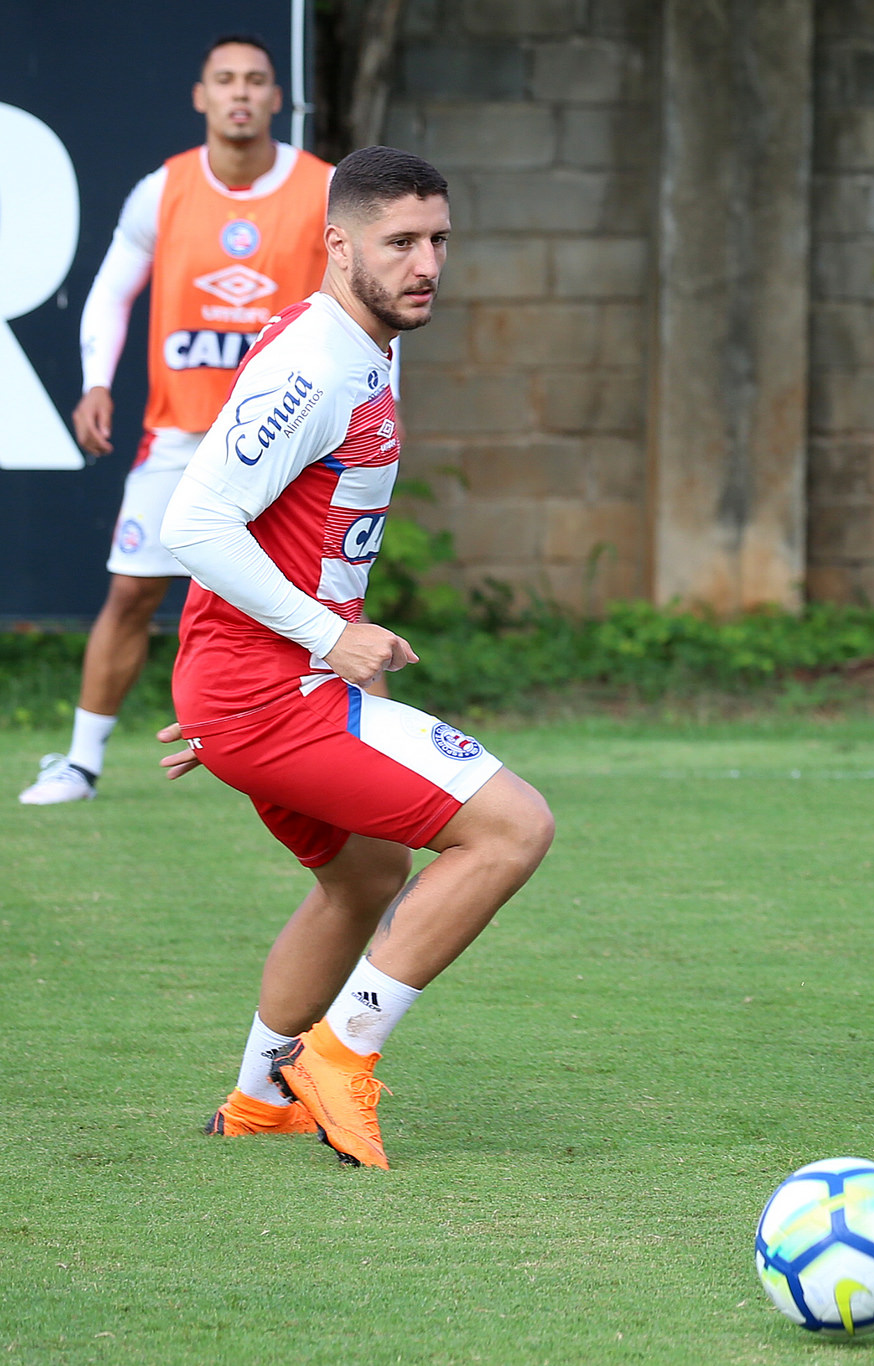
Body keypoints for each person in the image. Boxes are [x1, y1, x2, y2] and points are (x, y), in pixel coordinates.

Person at [158, 146, 556, 1168]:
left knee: (366, 873)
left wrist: (223, 692)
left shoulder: (372, 341)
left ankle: (260, 1100)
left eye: (438, 241)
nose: (427, 263)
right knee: (512, 828)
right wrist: (318, 641)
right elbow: (193, 521)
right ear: (339, 247)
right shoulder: (314, 362)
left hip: (250, 687)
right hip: (271, 687)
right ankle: (339, 1054)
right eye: (400, 243)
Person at [20, 34, 332, 806]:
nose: (239, 94)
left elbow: (370, 310)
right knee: (130, 594)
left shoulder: (326, 191)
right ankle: (82, 762)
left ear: (276, 98)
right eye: (224, 80)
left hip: (290, 439)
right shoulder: (163, 190)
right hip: (184, 434)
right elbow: (109, 292)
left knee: (321, 611)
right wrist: (96, 382)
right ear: (200, 96)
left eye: (255, 81)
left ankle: (345, 761)